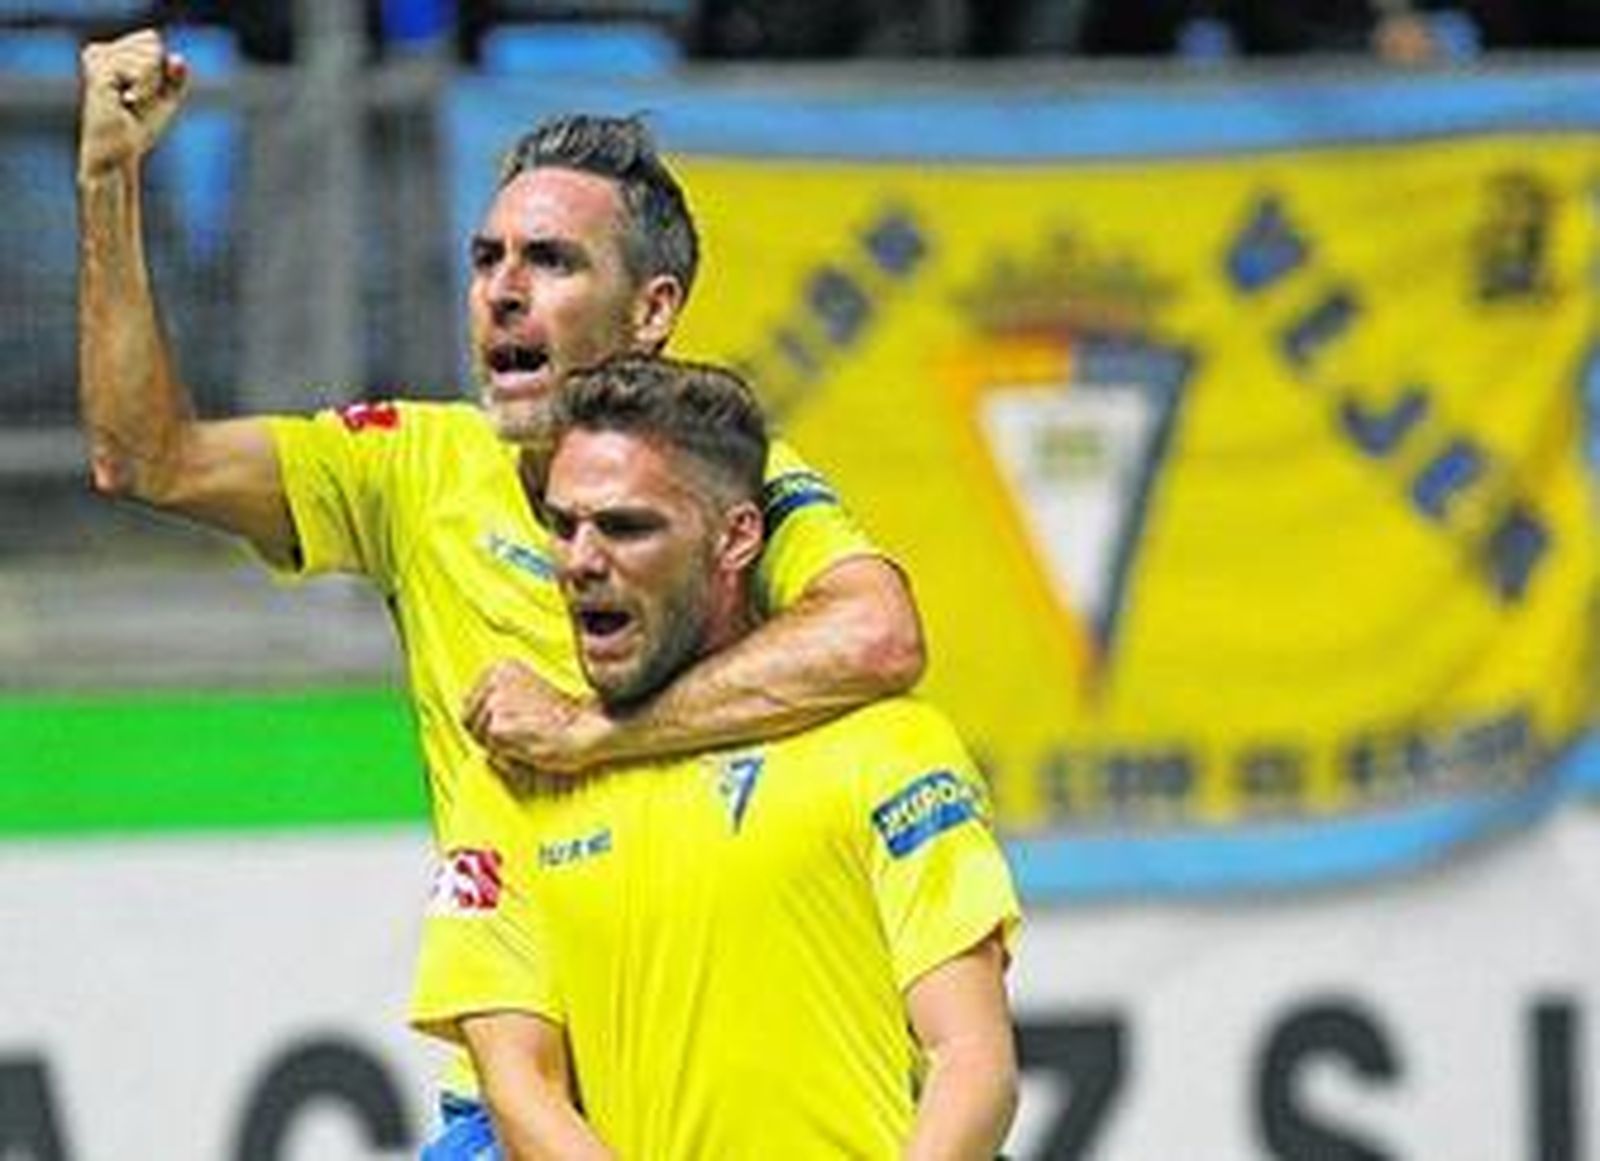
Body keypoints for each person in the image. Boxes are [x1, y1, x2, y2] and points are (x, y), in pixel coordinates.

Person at [76, 26, 926, 1151]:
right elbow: (147, 458)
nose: (503, 294)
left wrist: (590, 733)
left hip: (734, 1078)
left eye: (552, 262)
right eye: (487, 260)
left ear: (653, 309)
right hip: (517, 1099)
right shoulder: (411, 468)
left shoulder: (738, 486)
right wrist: (107, 180)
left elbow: (878, 637)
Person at [417, 352, 1021, 1160]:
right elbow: (519, 1085)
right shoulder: (509, 782)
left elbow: (973, 1062)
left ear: (737, 538)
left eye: (627, 526)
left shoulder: (889, 747)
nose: (579, 562)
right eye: (563, 525)